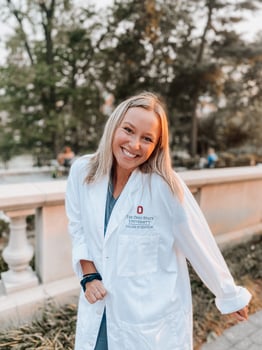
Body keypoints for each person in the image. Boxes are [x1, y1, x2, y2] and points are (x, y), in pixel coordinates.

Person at [65, 92, 251, 350]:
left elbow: (199, 243)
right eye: (128, 130)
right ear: (114, 126)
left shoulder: (165, 186)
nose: (134, 144)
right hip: (99, 317)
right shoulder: (82, 172)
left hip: (149, 326)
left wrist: (229, 295)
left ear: (157, 145)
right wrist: (89, 275)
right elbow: (78, 227)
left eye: (147, 138)